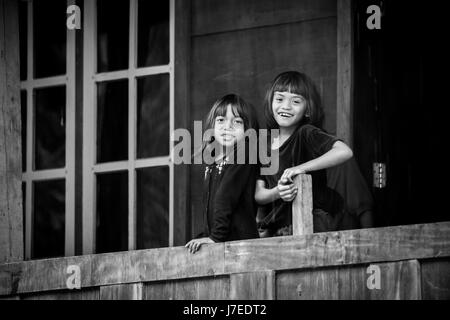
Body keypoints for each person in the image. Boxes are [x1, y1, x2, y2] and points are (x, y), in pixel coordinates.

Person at [255, 71, 373, 236]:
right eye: (280, 99)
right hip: (279, 226)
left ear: (308, 109)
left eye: (296, 101)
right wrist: (277, 192)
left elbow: (344, 152)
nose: (286, 106)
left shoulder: (306, 133)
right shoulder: (263, 143)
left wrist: (299, 168)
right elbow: (259, 194)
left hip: (314, 222)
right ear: (270, 103)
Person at [186, 94, 260, 253]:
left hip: (241, 245)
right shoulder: (213, 161)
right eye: (221, 120)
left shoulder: (245, 151)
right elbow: (209, 204)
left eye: (237, 121)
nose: (228, 126)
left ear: (248, 130)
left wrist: (215, 237)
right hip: (222, 243)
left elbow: (226, 195)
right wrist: (206, 235)